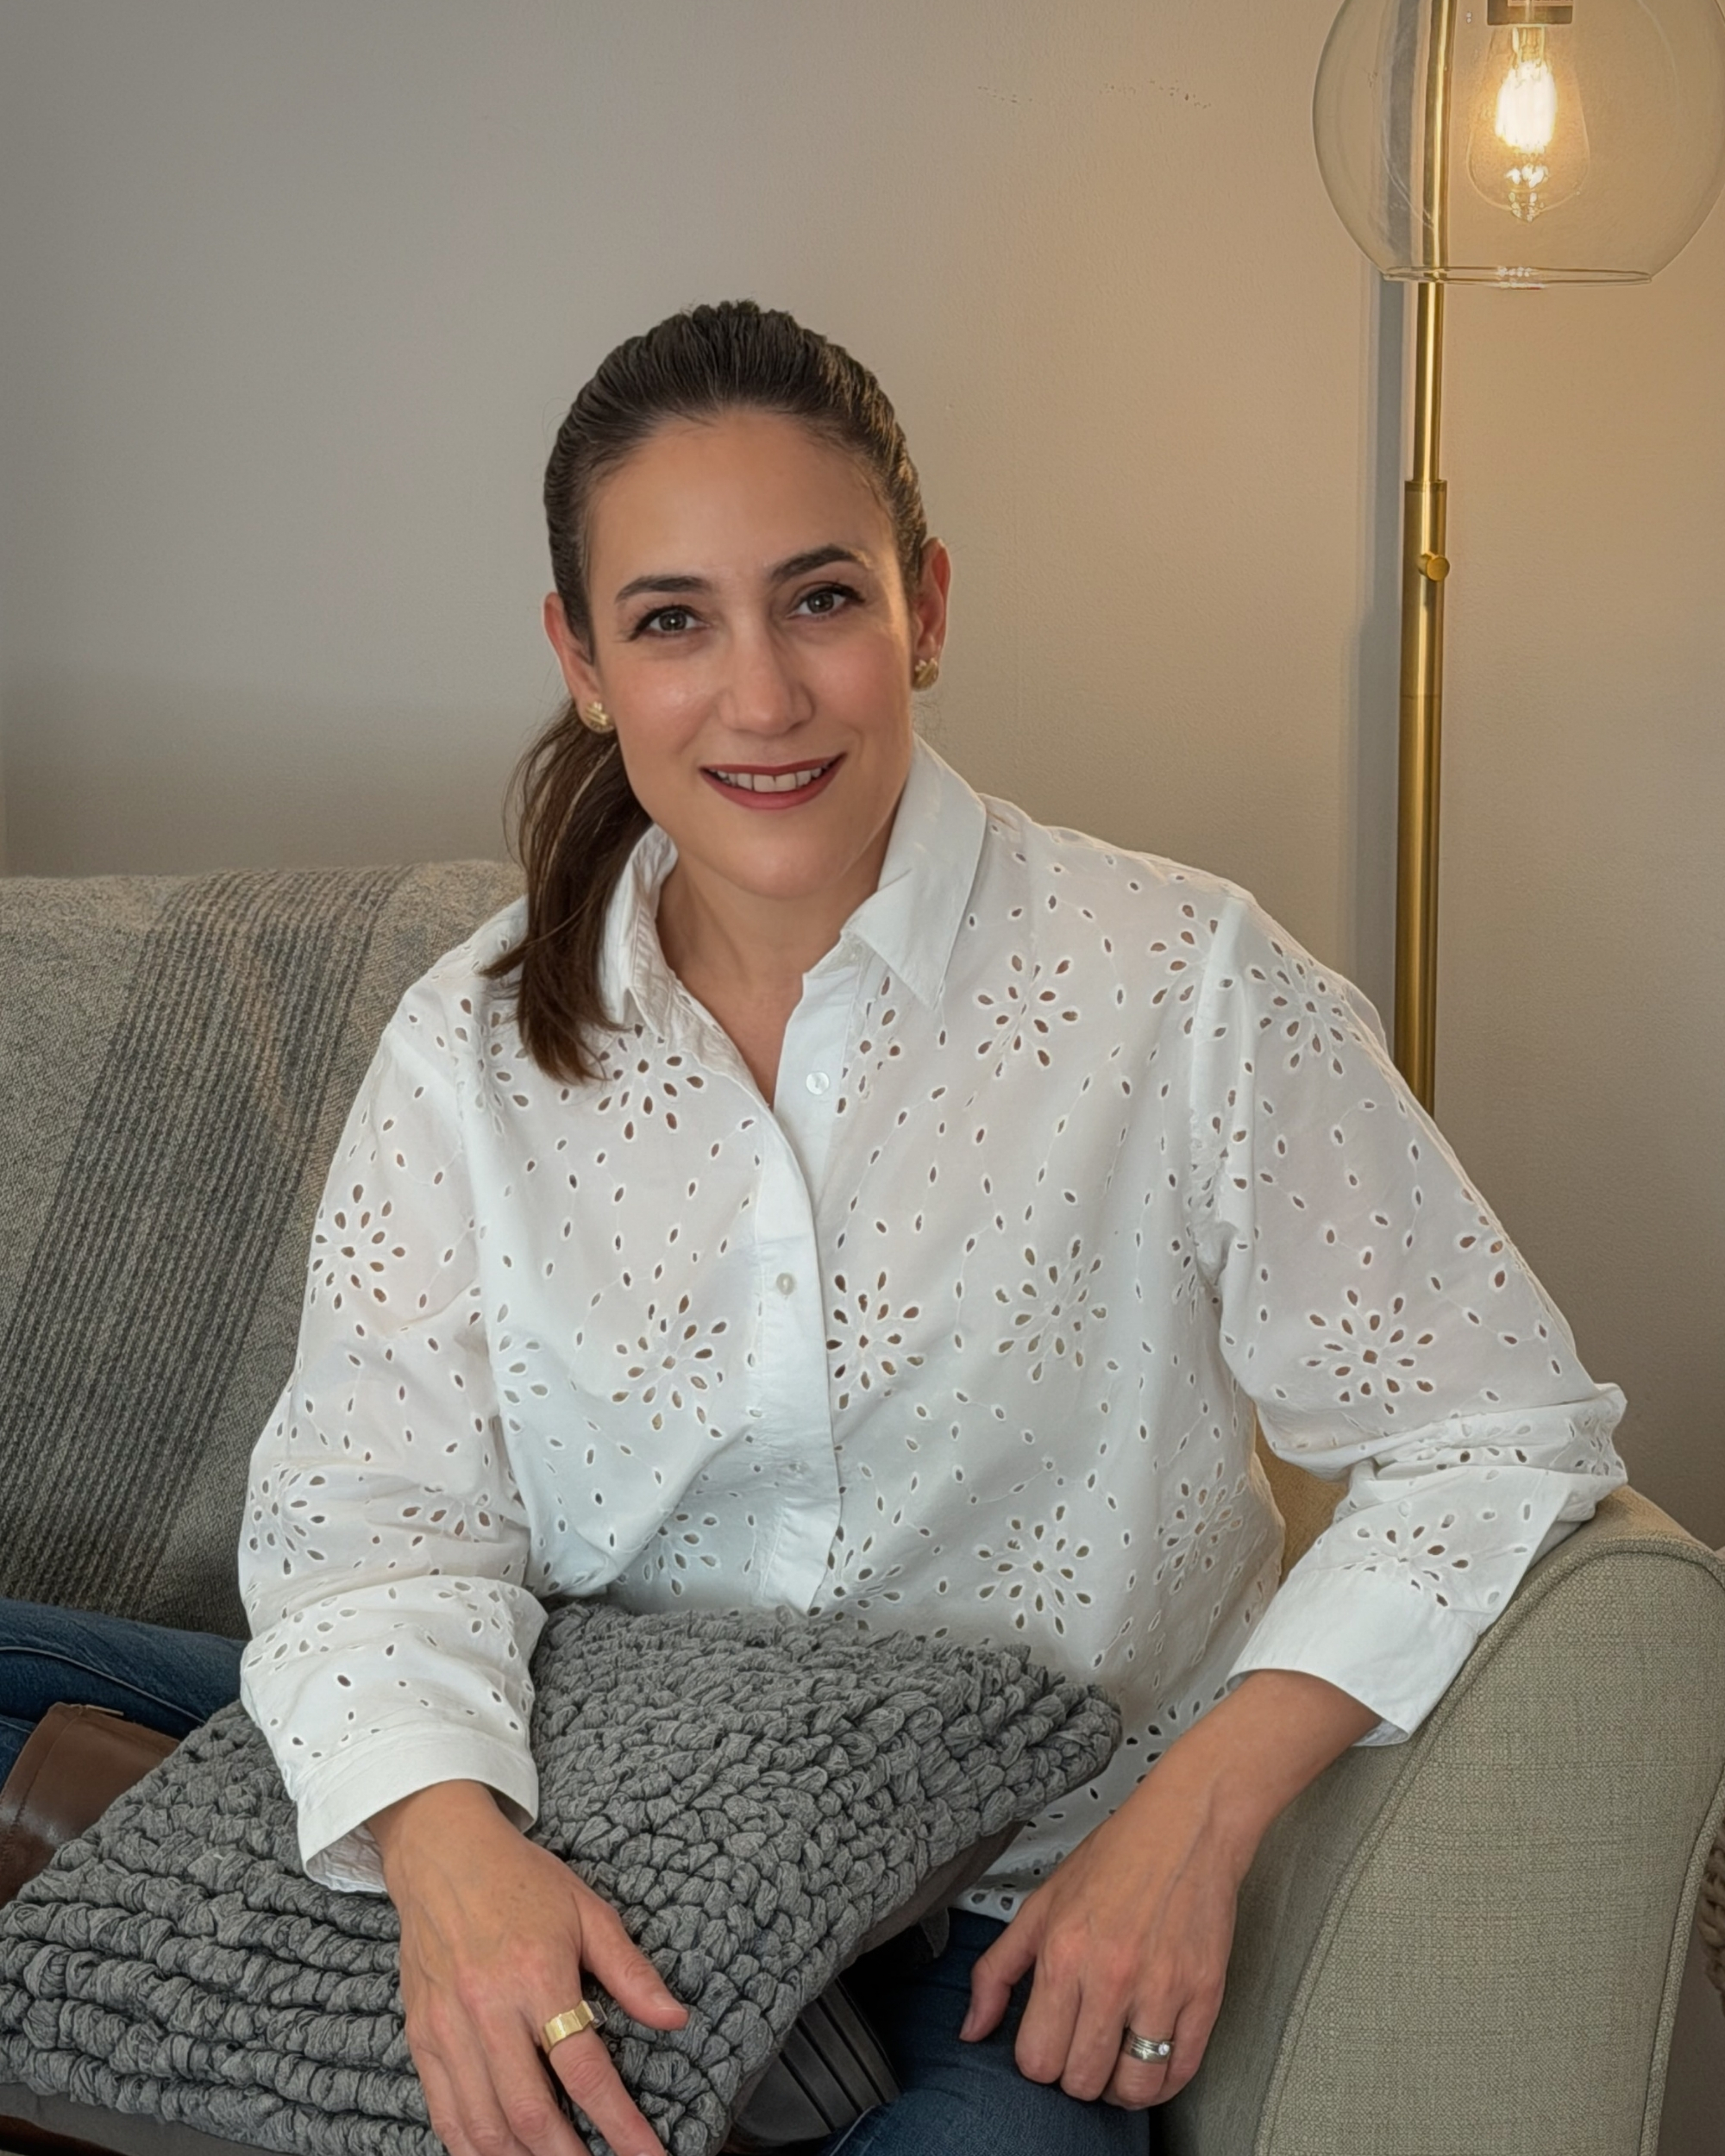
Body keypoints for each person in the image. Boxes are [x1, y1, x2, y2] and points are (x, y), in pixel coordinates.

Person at [2, 301, 1626, 2156]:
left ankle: (736, 2048)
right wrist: (454, 1862)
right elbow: (373, 1530)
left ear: (924, 604)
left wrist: (1193, 1814)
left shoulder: (1179, 988)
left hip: (992, 1918)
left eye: (822, 598)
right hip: (595, 1813)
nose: (760, 695)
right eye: (672, 618)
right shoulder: (469, 1042)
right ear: (583, 660)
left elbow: (1493, 1428)